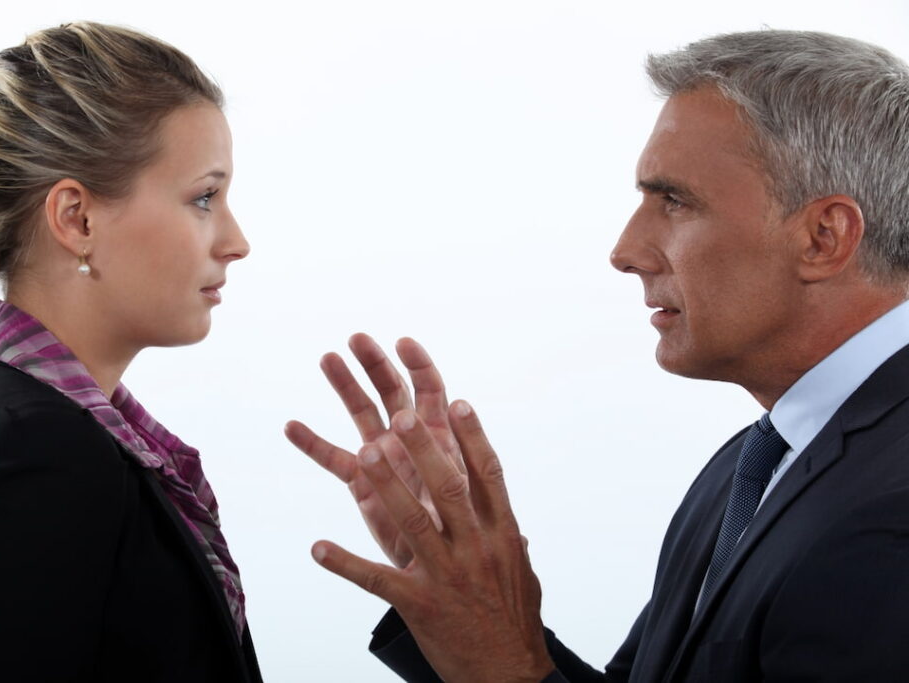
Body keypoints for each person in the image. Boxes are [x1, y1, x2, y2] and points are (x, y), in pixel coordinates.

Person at [287, 29, 909, 682]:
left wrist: (505, 665)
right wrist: (471, 607)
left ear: (823, 236)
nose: (625, 249)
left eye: (674, 200)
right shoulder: (750, 467)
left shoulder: (891, 509)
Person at [0, 22, 262, 682]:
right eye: (204, 197)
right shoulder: (34, 454)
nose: (236, 241)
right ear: (77, 219)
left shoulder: (31, 432)